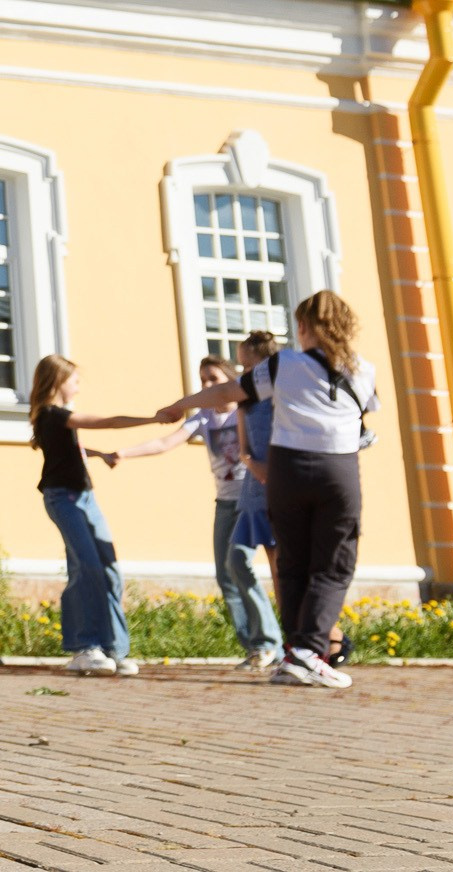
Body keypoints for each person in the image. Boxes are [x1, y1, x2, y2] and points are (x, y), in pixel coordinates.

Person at [161, 292, 378, 690]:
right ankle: (312, 652)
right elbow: (364, 417)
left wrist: (182, 404)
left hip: (287, 470)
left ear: (304, 327)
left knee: (292, 562)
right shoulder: (364, 369)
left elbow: (230, 392)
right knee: (334, 563)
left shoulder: (284, 364)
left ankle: (296, 653)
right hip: (336, 470)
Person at [91, 354, 283, 667]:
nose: (207, 385)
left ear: (229, 382)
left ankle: (268, 642)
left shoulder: (247, 411)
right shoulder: (205, 418)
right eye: (203, 379)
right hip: (225, 503)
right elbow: (165, 443)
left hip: (251, 500)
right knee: (226, 574)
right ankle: (254, 646)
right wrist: (122, 454)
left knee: (239, 562)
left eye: (214, 380)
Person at [25, 354, 160, 677]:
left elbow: (73, 449)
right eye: (75, 380)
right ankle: (84, 647)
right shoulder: (52, 414)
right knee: (86, 567)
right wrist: (153, 419)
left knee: (109, 569)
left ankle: (115, 648)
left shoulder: (59, 419)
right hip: (63, 499)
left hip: (85, 497)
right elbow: (109, 422)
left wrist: (102, 455)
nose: (78, 387)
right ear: (58, 382)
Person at [230, 329, 282, 643]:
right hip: (255, 489)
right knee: (243, 559)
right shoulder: (245, 401)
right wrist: (253, 464)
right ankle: (278, 639)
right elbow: (243, 448)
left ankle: (306, 638)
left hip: (284, 484)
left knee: (285, 568)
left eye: (247, 367)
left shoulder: (284, 395)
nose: (243, 373)